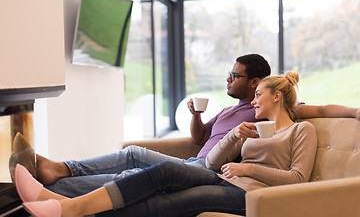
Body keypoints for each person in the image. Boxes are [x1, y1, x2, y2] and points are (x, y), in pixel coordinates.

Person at [35, 54, 360, 198]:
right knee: (132, 169)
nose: (228, 79)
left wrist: (355, 111)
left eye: (235, 76)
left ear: (256, 84)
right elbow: (199, 137)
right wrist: (194, 114)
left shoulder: (266, 110)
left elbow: (318, 109)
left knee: (134, 158)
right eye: (229, 74)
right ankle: (57, 183)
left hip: (210, 168)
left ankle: (61, 176)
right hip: (197, 160)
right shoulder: (230, 110)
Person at [15, 71, 318, 217]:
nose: (253, 101)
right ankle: (62, 201)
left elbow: (297, 178)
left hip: (252, 195)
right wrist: (234, 136)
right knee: (162, 173)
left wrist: (248, 166)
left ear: (276, 96)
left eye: (259, 95)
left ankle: (70, 207)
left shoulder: (302, 130)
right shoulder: (254, 128)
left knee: (167, 203)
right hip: (223, 176)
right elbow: (212, 163)